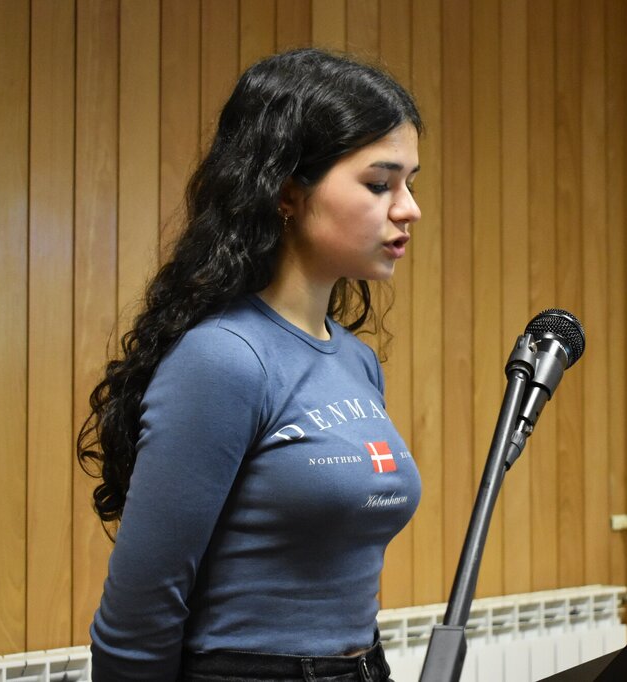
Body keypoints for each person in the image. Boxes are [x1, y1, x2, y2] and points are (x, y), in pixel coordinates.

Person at [77, 47, 423, 682]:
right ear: (288, 191)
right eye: (380, 184)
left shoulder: (355, 360)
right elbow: (138, 614)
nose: (408, 208)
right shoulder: (224, 359)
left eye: (410, 183)